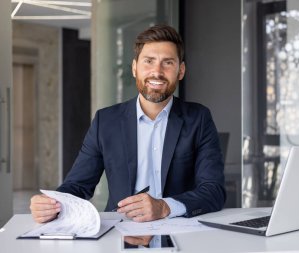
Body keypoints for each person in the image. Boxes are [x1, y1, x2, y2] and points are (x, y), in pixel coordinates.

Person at [30, 24, 226, 223]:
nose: (156, 72)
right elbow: (78, 185)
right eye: (149, 62)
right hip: (121, 228)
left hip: (179, 227)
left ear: (180, 71)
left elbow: (213, 190)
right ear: (134, 68)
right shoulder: (105, 121)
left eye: (167, 63)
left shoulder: (198, 118)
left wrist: (165, 207)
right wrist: (53, 204)